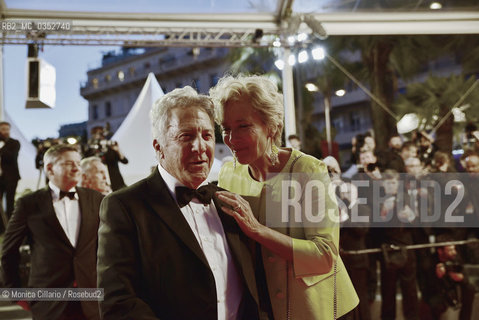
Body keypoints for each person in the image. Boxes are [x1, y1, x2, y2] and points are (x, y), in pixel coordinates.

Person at [97, 86, 264, 320]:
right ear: (159, 148)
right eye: (186, 136)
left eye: (206, 135)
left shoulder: (231, 202)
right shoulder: (124, 207)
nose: (200, 147)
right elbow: (118, 303)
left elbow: (254, 287)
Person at [209, 74, 358, 320]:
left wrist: (258, 230)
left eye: (243, 126)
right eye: (226, 129)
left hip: (319, 310)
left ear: (273, 126)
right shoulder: (228, 174)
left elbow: (325, 256)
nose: (232, 139)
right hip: (261, 307)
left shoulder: (308, 171)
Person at [1, 144, 104, 320]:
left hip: (91, 300)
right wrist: (15, 293)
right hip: (48, 301)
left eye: (78, 163)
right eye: (69, 163)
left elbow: (108, 250)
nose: (76, 168)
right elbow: (9, 251)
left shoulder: (95, 199)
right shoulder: (28, 203)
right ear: (50, 168)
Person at [0, 121, 20, 232]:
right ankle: (1, 227)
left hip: (11, 177)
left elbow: (11, 157)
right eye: (3, 129)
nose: (5, 132)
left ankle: (11, 227)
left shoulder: (14, 143)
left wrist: (2, 147)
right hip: (0, 177)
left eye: (7, 129)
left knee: (10, 202)